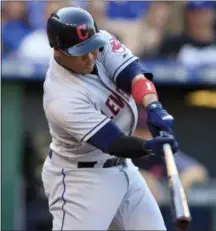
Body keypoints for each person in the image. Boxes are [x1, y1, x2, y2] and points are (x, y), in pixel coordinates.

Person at [42, 6, 179, 230]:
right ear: (58, 52)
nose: (90, 57)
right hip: (81, 179)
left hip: (124, 169)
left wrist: (153, 107)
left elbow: (134, 75)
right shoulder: (60, 97)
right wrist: (151, 147)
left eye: (92, 48)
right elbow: (114, 142)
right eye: (80, 52)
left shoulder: (101, 41)